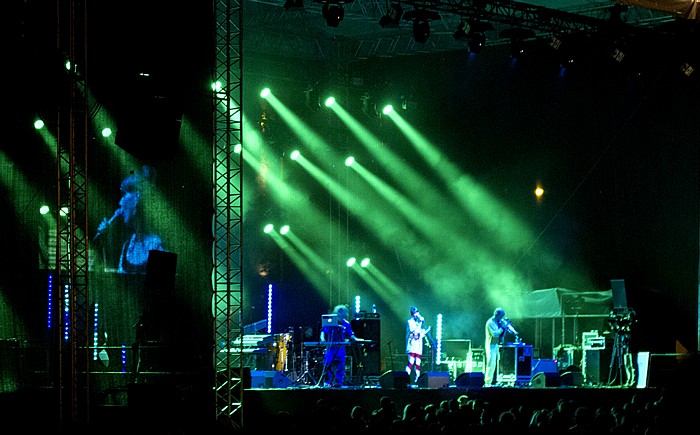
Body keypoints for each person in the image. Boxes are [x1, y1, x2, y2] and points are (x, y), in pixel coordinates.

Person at [94, 165, 165, 274]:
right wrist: (104, 241)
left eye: (125, 194)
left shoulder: (158, 243)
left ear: (138, 197)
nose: (120, 202)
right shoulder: (128, 246)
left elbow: (164, 287)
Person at [319, 304, 357, 387]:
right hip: (330, 349)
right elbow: (323, 331)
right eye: (344, 313)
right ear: (339, 313)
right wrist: (322, 339)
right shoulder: (331, 321)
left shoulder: (346, 323)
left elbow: (350, 334)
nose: (346, 315)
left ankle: (338, 383)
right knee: (327, 366)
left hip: (341, 349)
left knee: (340, 367)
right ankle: (327, 383)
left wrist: (355, 339)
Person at [484, 307, 518, 385]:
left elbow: (504, 329)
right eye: (501, 316)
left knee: (496, 363)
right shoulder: (490, 323)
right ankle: (487, 382)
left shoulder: (498, 321)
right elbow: (495, 334)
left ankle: (495, 380)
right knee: (491, 363)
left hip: (496, 345)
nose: (502, 318)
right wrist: (502, 328)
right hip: (490, 345)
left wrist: (512, 330)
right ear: (497, 315)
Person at [405, 306, 431, 383]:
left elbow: (420, 333)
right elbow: (414, 331)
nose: (417, 314)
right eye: (415, 313)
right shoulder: (410, 322)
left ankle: (417, 379)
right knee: (411, 362)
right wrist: (420, 322)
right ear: (412, 314)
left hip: (418, 345)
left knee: (418, 362)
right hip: (412, 345)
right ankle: (406, 377)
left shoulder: (418, 322)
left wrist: (426, 330)